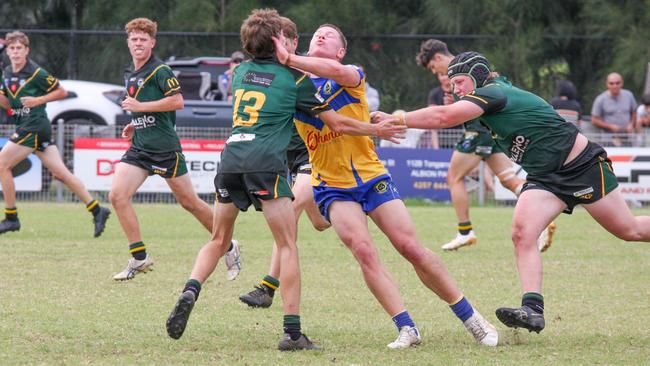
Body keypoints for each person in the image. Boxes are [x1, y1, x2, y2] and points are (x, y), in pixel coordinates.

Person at [164, 10, 405, 351]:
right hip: (265, 164)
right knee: (288, 244)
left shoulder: (241, 73)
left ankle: (191, 288)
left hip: (230, 159)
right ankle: (292, 333)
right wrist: (376, 129)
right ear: (280, 43)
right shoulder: (295, 80)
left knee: (219, 240)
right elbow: (337, 123)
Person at [373, 51, 650, 334]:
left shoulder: (493, 92)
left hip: (581, 166)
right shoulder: (489, 97)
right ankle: (533, 310)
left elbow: (444, 116)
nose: (454, 89)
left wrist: (398, 117)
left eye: (459, 82)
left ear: (477, 79)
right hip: (545, 177)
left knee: (629, 230)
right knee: (522, 234)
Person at [273, 24, 499, 348]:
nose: (320, 36)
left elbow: (332, 71)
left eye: (330, 35)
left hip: (370, 175)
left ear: (340, 51)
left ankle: (472, 318)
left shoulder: (350, 73)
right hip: (331, 184)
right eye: (316, 35)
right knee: (364, 251)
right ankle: (407, 327)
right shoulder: (293, 87)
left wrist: (289, 57)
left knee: (410, 248)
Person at [110, 18, 240, 281]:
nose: (138, 43)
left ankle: (229, 245)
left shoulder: (160, 70)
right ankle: (139, 257)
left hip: (165, 149)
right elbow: (143, 106)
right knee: (117, 196)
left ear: (152, 43)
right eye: (134, 39)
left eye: (143, 40)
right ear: (128, 42)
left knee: (189, 202)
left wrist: (139, 109)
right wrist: (135, 125)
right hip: (139, 149)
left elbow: (177, 102)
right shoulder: (130, 73)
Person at [415, 39, 555, 252]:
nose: (438, 74)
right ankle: (543, 214)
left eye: (435, 68)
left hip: (478, 131)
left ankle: (465, 231)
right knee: (508, 180)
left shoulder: (460, 70)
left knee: (454, 177)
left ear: (438, 58)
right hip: (493, 132)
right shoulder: (471, 67)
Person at [238, 16, 331, 309]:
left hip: (313, 155)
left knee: (290, 212)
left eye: (286, 40)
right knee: (319, 222)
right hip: (287, 158)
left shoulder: (309, 73)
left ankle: (267, 287)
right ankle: (352, 203)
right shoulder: (273, 71)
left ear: (292, 43)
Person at [0, 31, 110, 237]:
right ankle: (97, 209)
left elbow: (62, 92)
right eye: (11, 48)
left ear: (26, 51)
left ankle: (11, 217)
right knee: (61, 173)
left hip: (34, 125)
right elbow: (7, 103)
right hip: (25, 125)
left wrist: (38, 101)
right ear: (7, 52)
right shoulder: (6, 72)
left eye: (19, 48)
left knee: (2, 164)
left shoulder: (36, 73)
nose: (15, 52)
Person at [591, 72, 638, 146]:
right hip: (608, 139)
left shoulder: (629, 95)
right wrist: (610, 126)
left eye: (617, 83)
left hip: (627, 137)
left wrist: (631, 124)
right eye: (611, 83)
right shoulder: (600, 99)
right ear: (607, 84)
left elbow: (634, 112)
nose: (615, 86)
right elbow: (594, 120)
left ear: (622, 83)